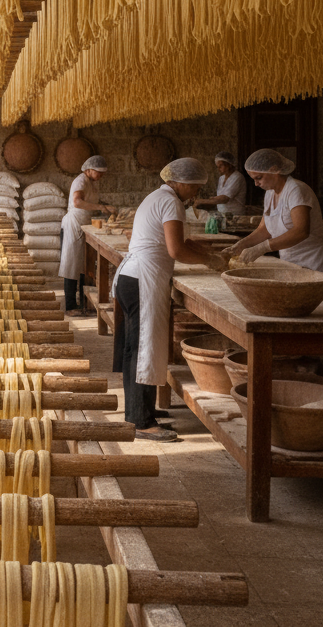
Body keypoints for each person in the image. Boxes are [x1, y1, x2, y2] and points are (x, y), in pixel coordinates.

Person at [113, 158, 226, 442]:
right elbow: (176, 250)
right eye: (196, 188)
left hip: (132, 277)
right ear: (183, 182)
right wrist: (211, 261)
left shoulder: (159, 197)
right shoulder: (171, 202)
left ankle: (139, 410)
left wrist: (213, 254)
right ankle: (141, 421)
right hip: (142, 280)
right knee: (143, 349)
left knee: (135, 349)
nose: (197, 193)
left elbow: (183, 243)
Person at [222, 149, 323, 272]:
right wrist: (241, 245)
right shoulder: (270, 193)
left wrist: (262, 248)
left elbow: (301, 231)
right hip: (289, 260)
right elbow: (263, 230)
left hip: (312, 260)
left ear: (274, 170)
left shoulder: (296, 190)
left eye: (259, 178)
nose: (256, 184)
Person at [59, 155, 115, 317]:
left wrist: (105, 206)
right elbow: (77, 202)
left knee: (84, 266)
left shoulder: (91, 183)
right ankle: (70, 306)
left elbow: (90, 200)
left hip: (84, 225)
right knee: (71, 265)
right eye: (99, 172)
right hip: (73, 225)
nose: (101, 176)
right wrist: (100, 206)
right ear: (89, 170)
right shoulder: (80, 180)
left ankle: (85, 303)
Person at [195, 151, 247, 217]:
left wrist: (201, 201)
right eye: (217, 166)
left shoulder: (237, 177)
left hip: (235, 215)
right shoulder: (221, 178)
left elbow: (224, 199)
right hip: (222, 214)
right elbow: (220, 197)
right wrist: (212, 199)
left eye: (221, 165)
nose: (218, 169)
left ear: (229, 164)